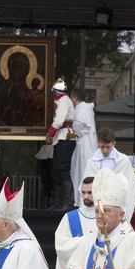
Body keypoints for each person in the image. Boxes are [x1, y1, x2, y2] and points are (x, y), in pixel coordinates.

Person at [83, 127, 135, 221]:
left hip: (116, 205)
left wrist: (123, 208)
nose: (105, 151)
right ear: (98, 143)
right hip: (98, 204)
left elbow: (131, 187)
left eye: (108, 147)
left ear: (114, 143)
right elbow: (86, 186)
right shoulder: (92, 161)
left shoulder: (122, 160)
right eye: (102, 147)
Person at [45, 77, 76, 211]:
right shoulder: (64, 100)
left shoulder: (63, 100)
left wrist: (50, 133)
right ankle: (58, 202)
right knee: (57, 171)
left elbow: (58, 121)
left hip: (65, 136)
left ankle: (67, 202)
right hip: (62, 136)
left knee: (63, 170)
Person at [70, 89, 97, 207]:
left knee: (81, 170)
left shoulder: (81, 109)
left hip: (84, 144)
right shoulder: (87, 108)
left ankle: (80, 199)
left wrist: (70, 126)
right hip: (85, 142)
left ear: (74, 99)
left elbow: (78, 125)